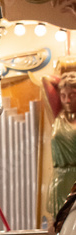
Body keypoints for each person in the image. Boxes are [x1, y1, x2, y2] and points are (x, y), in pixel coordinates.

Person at [43, 63, 76, 216]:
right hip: (60, 179)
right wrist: (65, 80)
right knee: (58, 223)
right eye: (63, 96)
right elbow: (46, 79)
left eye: (72, 95)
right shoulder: (58, 115)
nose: (67, 100)